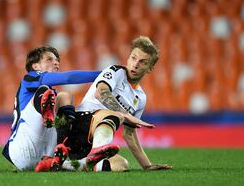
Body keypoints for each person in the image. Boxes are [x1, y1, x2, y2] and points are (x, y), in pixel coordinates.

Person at [35, 36, 172, 172]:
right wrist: (126, 115)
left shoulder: (141, 98)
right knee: (117, 115)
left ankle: (67, 164)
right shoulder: (116, 71)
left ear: (150, 68)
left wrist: (147, 165)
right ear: (128, 58)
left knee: (121, 164)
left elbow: (129, 134)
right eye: (133, 58)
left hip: (91, 143)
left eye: (142, 62)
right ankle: (93, 153)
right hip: (81, 125)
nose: (135, 64)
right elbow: (101, 93)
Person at [2, 45, 110, 171]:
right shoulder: (30, 77)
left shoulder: (50, 94)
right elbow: (68, 78)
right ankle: (57, 129)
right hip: (21, 147)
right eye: (49, 59)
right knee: (45, 91)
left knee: (64, 96)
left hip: (44, 154)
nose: (56, 63)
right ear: (35, 66)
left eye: (57, 60)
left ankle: (61, 149)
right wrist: (105, 74)